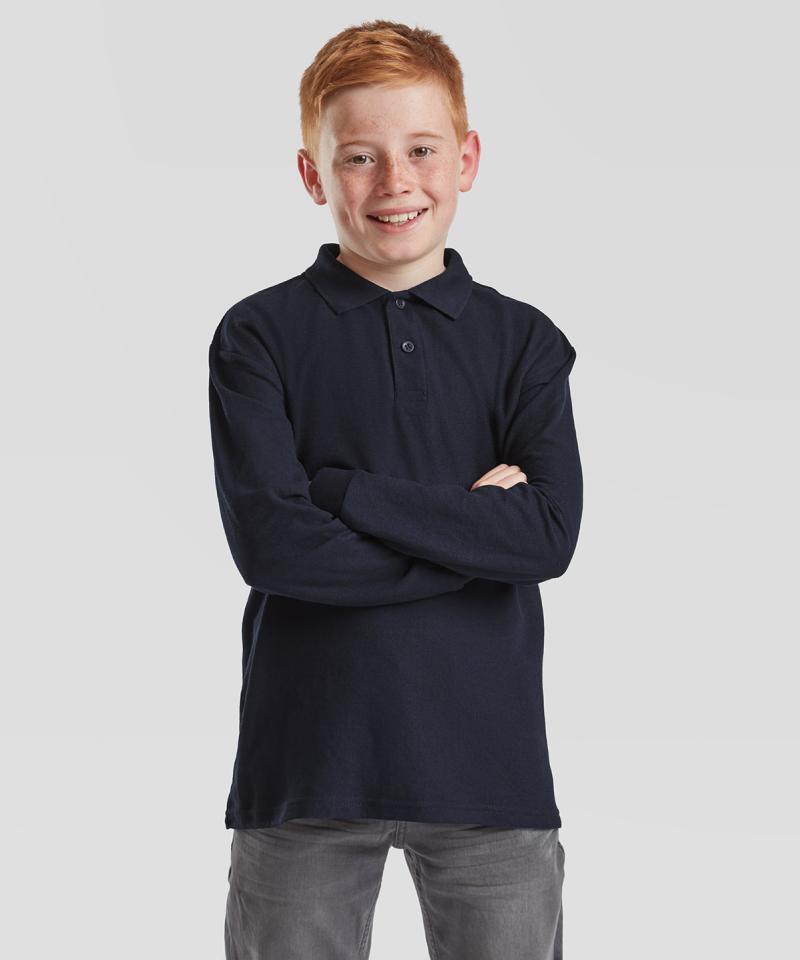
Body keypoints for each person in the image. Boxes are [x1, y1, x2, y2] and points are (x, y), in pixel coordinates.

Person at [208, 18, 582, 960]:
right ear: (313, 175)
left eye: (420, 150)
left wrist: (344, 492)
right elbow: (275, 548)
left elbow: (545, 537)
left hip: (489, 769)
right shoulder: (257, 337)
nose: (395, 182)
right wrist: (474, 535)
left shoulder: (525, 343)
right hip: (307, 770)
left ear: (467, 159)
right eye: (359, 157)